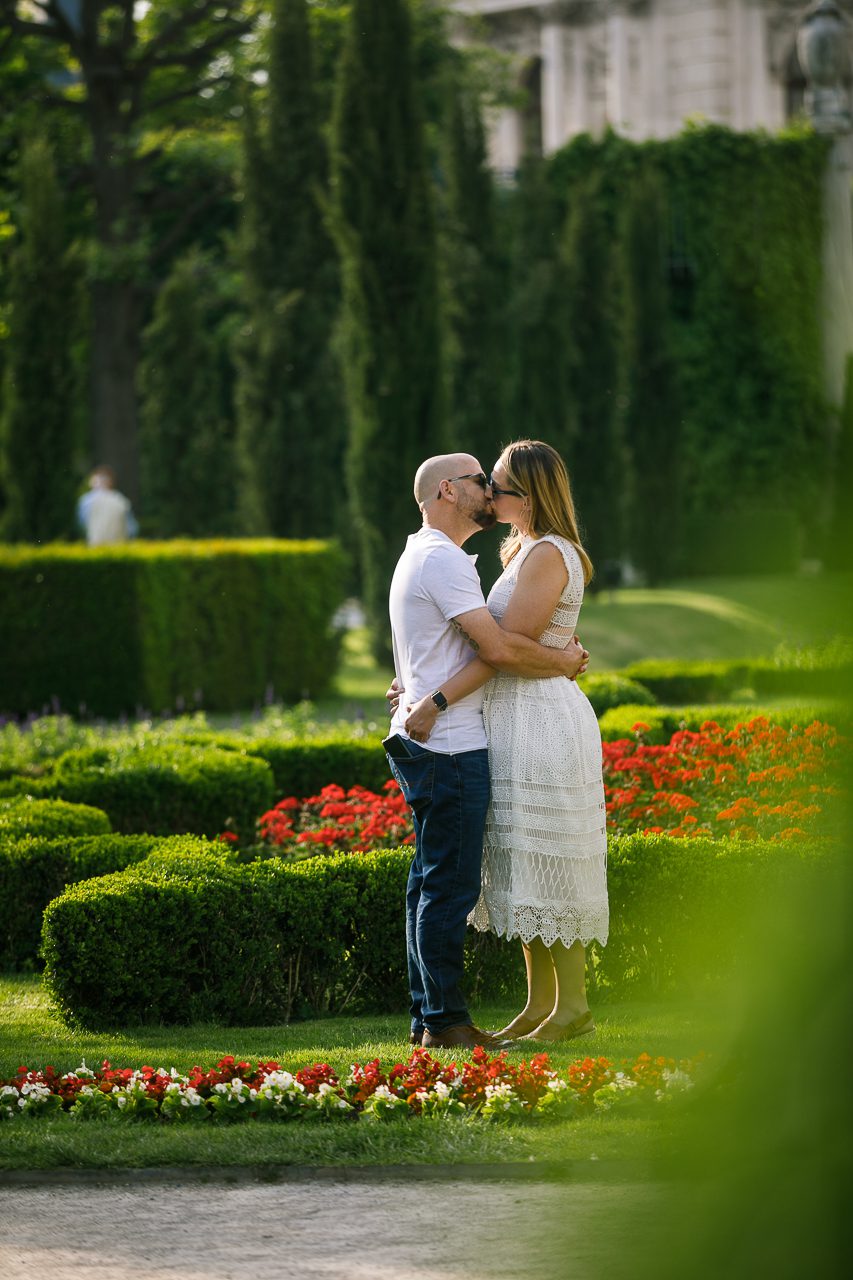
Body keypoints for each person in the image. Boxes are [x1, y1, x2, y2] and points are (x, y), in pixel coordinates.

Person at [402, 440, 608, 1044]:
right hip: (510, 719)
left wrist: (436, 699)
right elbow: (490, 645)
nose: (490, 498)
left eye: (501, 489)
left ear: (532, 494)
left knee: (555, 861)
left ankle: (572, 1007)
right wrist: (419, 678)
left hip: (542, 720)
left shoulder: (549, 553)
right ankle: (537, 1005)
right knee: (524, 863)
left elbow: (507, 650)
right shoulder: (519, 550)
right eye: (488, 487)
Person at [77, 466, 139, 547]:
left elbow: (81, 524)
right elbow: (132, 529)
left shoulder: (86, 501)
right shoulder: (121, 500)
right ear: (111, 482)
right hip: (118, 549)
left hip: (95, 547)